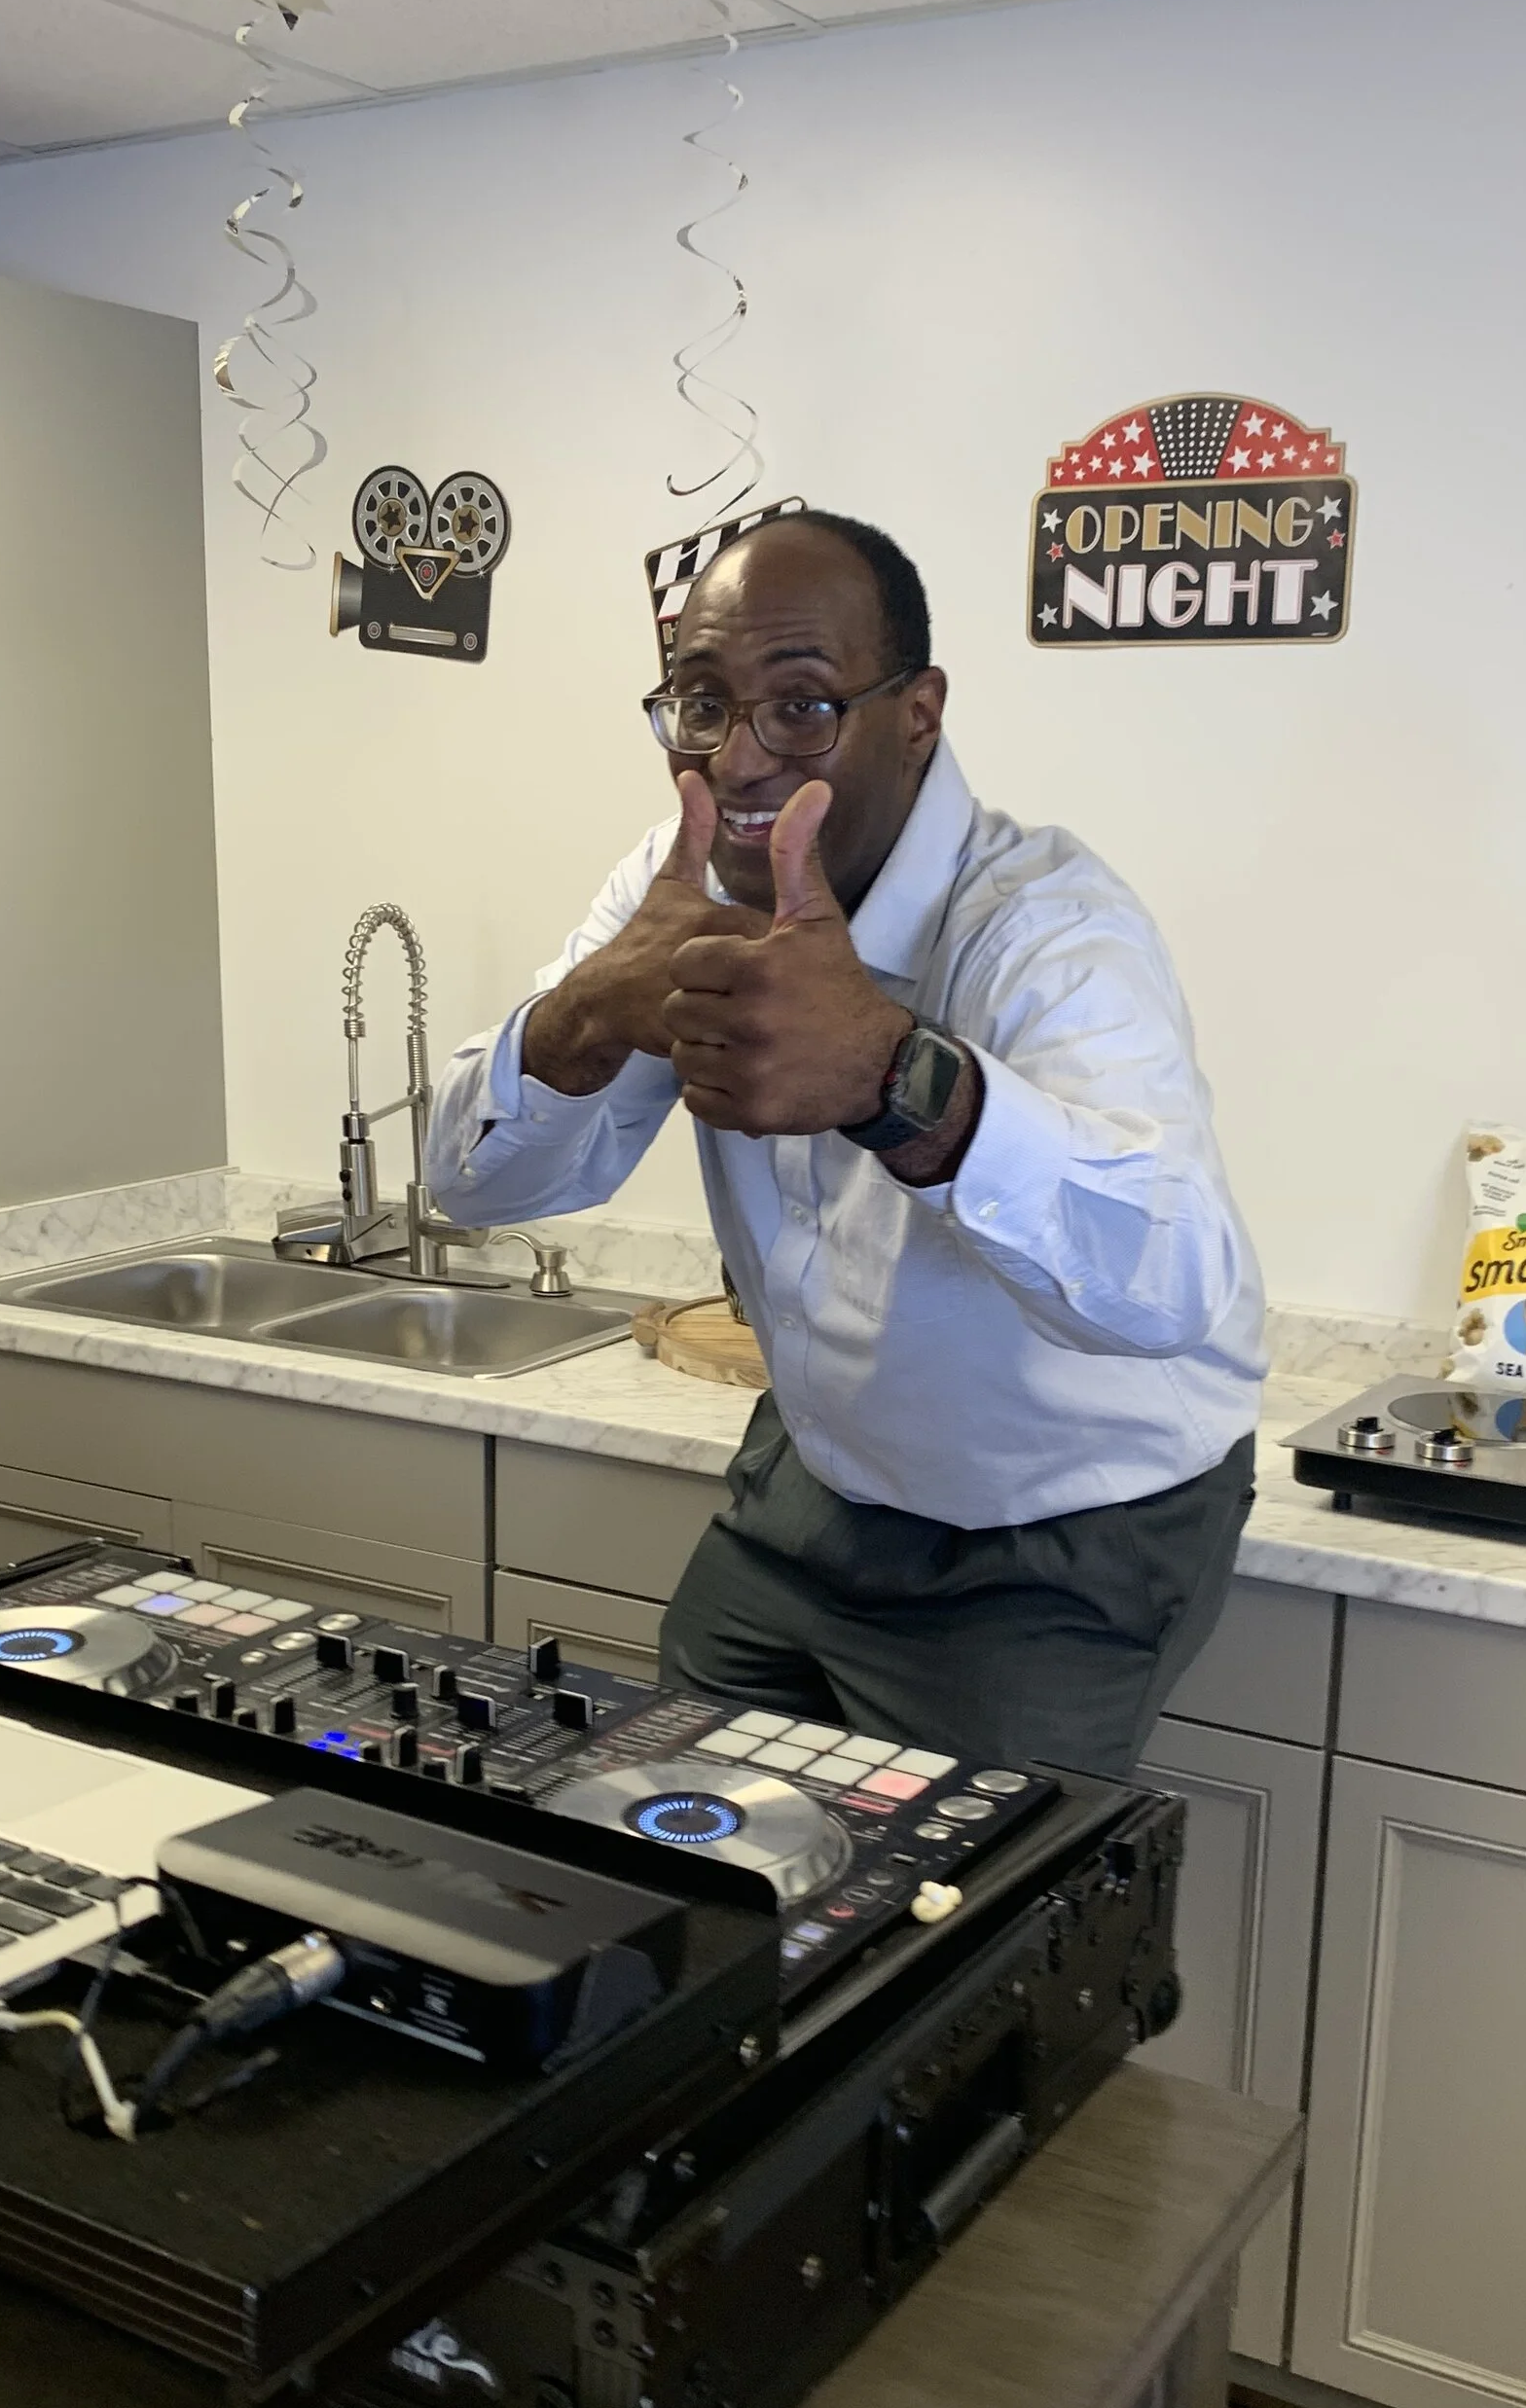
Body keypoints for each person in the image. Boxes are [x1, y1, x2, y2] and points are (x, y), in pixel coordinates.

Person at [423, 511, 1263, 1777]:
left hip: (1056, 1523)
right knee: (671, 1831)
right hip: (817, 1478)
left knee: (956, 1898)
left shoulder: (1044, 923)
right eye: (703, 703)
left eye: (802, 705)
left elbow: (1172, 1279)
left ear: (916, 712)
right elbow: (474, 1186)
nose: (739, 757)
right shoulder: (682, 882)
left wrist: (891, 1076)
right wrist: (586, 1014)